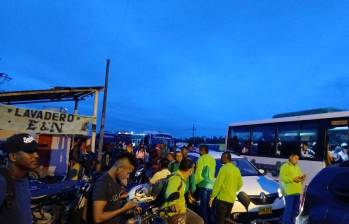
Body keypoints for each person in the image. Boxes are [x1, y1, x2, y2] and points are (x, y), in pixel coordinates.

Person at [0, 133, 40, 224]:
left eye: (36, 151)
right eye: (29, 152)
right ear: (13, 157)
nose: (36, 155)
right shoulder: (2, 182)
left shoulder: (23, 178)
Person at [92, 152, 139, 224]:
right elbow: (98, 218)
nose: (128, 177)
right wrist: (123, 209)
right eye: (128, 173)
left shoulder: (115, 180)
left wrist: (130, 206)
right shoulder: (102, 183)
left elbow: (111, 200)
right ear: (120, 168)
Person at [163, 158, 203, 224]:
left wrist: (188, 196)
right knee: (199, 221)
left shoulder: (181, 178)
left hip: (182, 210)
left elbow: (179, 193)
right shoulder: (176, 179)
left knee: (199, 221)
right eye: (192, 169)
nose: (192, 172)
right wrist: (179, 213)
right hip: (175, 213)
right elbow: (169, 196)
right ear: (189, 170)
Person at [209, 152, 243, 224]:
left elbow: (218, 184)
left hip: (222, 200)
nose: (221, 159)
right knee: (226, 220)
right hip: (231, 200)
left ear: (225, 158)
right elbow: (240, 184)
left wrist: (212, 197)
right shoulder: (236, 169)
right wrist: (232, 190)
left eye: (222, 157)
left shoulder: (223, 169)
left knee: (219, 220)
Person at [279, 151, 305, 224]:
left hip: (297, 191)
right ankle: (286, 222)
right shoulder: (285, 166)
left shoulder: (297, 167)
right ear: (291, 157)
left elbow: (299, 176)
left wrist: (302, 178)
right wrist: (292, 179)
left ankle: (292, 222)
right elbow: (282, 178)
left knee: (295, 210)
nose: (297, 160)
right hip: (289, 192)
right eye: (295, 158)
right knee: (289, 210)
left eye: (298, 159)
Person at [195, 145, 216, 224]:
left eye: (199, 150)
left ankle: (205, 222)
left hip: (203, 186)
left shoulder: (201, 159)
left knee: (202, 208)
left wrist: (194, 185)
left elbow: (198, 174)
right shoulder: (212, 159)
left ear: (202, 151)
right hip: (211, 186)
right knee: (209, 207)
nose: (198, 152)